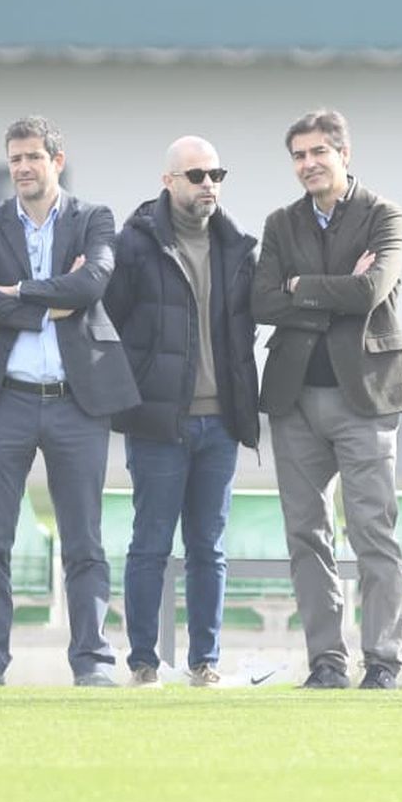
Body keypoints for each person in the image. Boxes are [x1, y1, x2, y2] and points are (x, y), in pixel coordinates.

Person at [0, 116, 140, 687]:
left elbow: (92, 285)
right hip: (2, 400)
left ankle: (92, 663)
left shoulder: (93, 219)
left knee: (84, 539)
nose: (23, 168)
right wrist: (49, 301)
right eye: (14, 159)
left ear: (58, 161)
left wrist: (18, 292)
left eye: (33, 157)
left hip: (76, 403)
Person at [253, 110, 402, 691]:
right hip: (295, 399)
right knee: (306, 535)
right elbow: (262, 303)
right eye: (298, 155)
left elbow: (372, 290)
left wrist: (302, 287)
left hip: (365, 399)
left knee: (373, 533)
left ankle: (382, 662)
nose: (308, 164)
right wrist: (331, 291)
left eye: (318, 152)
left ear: (345, 155)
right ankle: (326, 662)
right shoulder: (280, 224)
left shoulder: (385, 216)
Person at [103, 136, 259, 688]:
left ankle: (205, 661)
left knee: (208, 548)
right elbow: (108, 321)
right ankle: (144, 661)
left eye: (217, 173)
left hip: (221, 423)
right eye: (196, 175)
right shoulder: (136, 244)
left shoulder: (237, 247)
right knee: (150, 543)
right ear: (168, 181)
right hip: (158, 422)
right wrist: (132, 389)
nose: (209, 184)